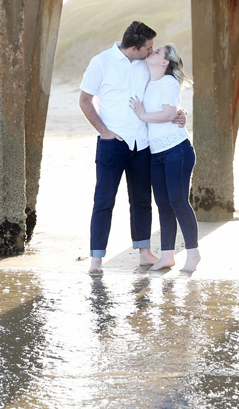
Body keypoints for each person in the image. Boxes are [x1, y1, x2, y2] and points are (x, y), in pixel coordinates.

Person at [78, 21, 184, 276]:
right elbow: (84, 101)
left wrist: (180, 113)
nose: (152, 51)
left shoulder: (146, 63)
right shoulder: (101, 62)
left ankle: (144, 252)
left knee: (141, 200)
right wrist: (104, 131)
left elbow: (163, 91)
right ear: (134, 48)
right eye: (148, 47)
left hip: (143, 143)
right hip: (112, 143)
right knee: (104, 201)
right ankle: (96, 259)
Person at [129, 44, 201, 272]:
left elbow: (169, 113)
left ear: (165, 62)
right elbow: (173, 110)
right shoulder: (149, 82)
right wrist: (181, 112)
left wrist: (143, 115)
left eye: (158, 51)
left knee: (179, 202)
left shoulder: (169, 82)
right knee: (163, 205)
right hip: (156, 152)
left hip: (176, 150)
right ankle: (167, 256)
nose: (152, 51)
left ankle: (193, 253)